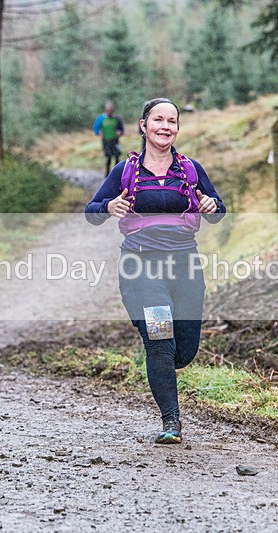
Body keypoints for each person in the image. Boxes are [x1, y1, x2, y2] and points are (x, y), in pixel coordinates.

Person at [86, 98, 226, 444]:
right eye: (158, 120)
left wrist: (211, 205)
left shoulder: (190, 169)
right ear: (143, 126)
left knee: (184, 350)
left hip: (184, 266)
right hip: (141, 267)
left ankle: (160, 365)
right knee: (160, 340)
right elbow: (91, 212)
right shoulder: (125, 171)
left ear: (178, 128)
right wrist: (110, 204)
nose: (165, 126)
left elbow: (218, 210)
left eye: (172, 121)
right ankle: (171, 422)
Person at [92, 100, 125, 176]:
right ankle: (107, 174)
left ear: (113, 109)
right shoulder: (101, 118)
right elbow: (95, 129)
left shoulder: (116, 118)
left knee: (117, 156)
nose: (109, 110)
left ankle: (117, 174)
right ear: (105, 109)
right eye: (108, 109)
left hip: (115, 140)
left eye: (110, 109)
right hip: (106, 141)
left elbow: (122, 129)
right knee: (108, 157)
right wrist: (99, 133)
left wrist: (120, 132)